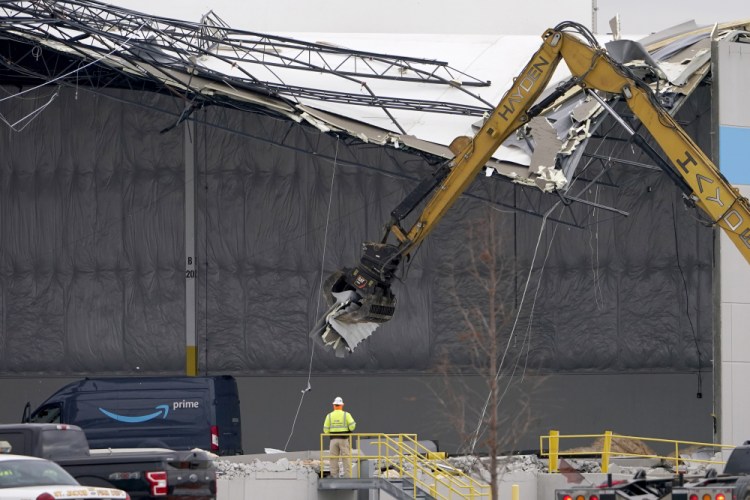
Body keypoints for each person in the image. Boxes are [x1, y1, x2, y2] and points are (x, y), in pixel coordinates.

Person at [323, 396, 356, 478]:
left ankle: (334, 476)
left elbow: (325, 430)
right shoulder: (346, 415)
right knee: (346, 458)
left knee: (333, 458)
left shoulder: (329, 416)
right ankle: (347, 476)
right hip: (344, 439)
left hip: (333, 440)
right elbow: (352, 426)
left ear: (334, 405)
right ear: (342, 405)